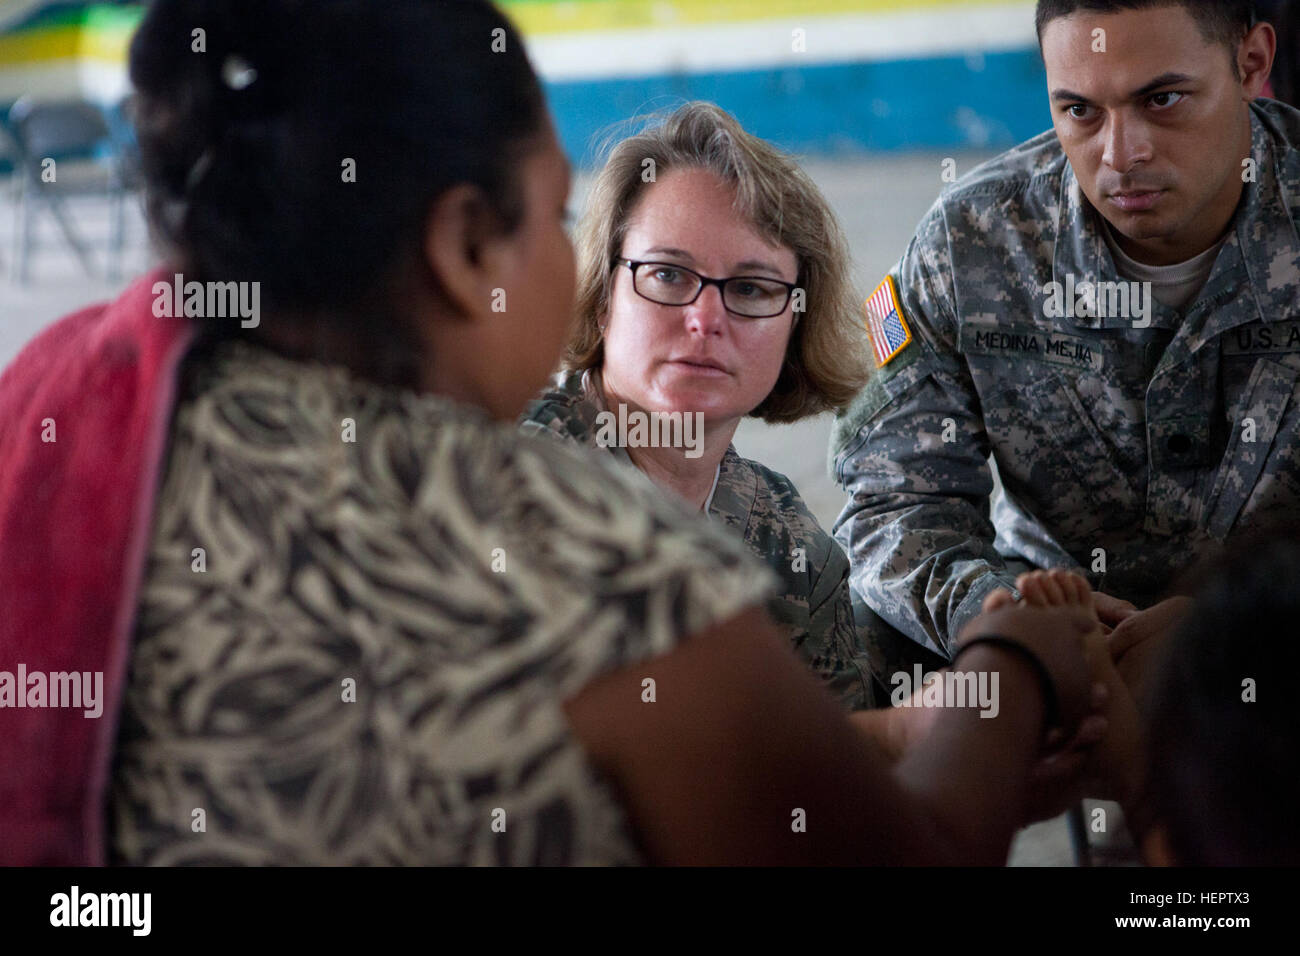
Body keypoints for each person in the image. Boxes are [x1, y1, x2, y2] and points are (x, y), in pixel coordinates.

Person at [0, 0, 1109, 866]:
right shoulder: (569, 542)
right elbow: (898, 857)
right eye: (555, 214)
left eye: (752, 289)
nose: (703, 318)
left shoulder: (64, 418)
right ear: (463, 247)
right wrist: (1010, 663)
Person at [831, 0, 1296, 697]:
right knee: (846, 647)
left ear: (1252, 62)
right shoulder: (973, 244)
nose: (1121, 154)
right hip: (1048, 618)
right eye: (1080, 111)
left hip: (1277, 621)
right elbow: (892, 500)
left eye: (1162, 99)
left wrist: (1234, 625)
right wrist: (1001, 617)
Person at [522, 102, 878, 709]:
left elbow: (833, 788)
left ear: (796, 324)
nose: (706, 320)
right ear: (604, 296)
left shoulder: (798, 554)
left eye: (750, 289)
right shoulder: (496, 479)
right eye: (667, 275)